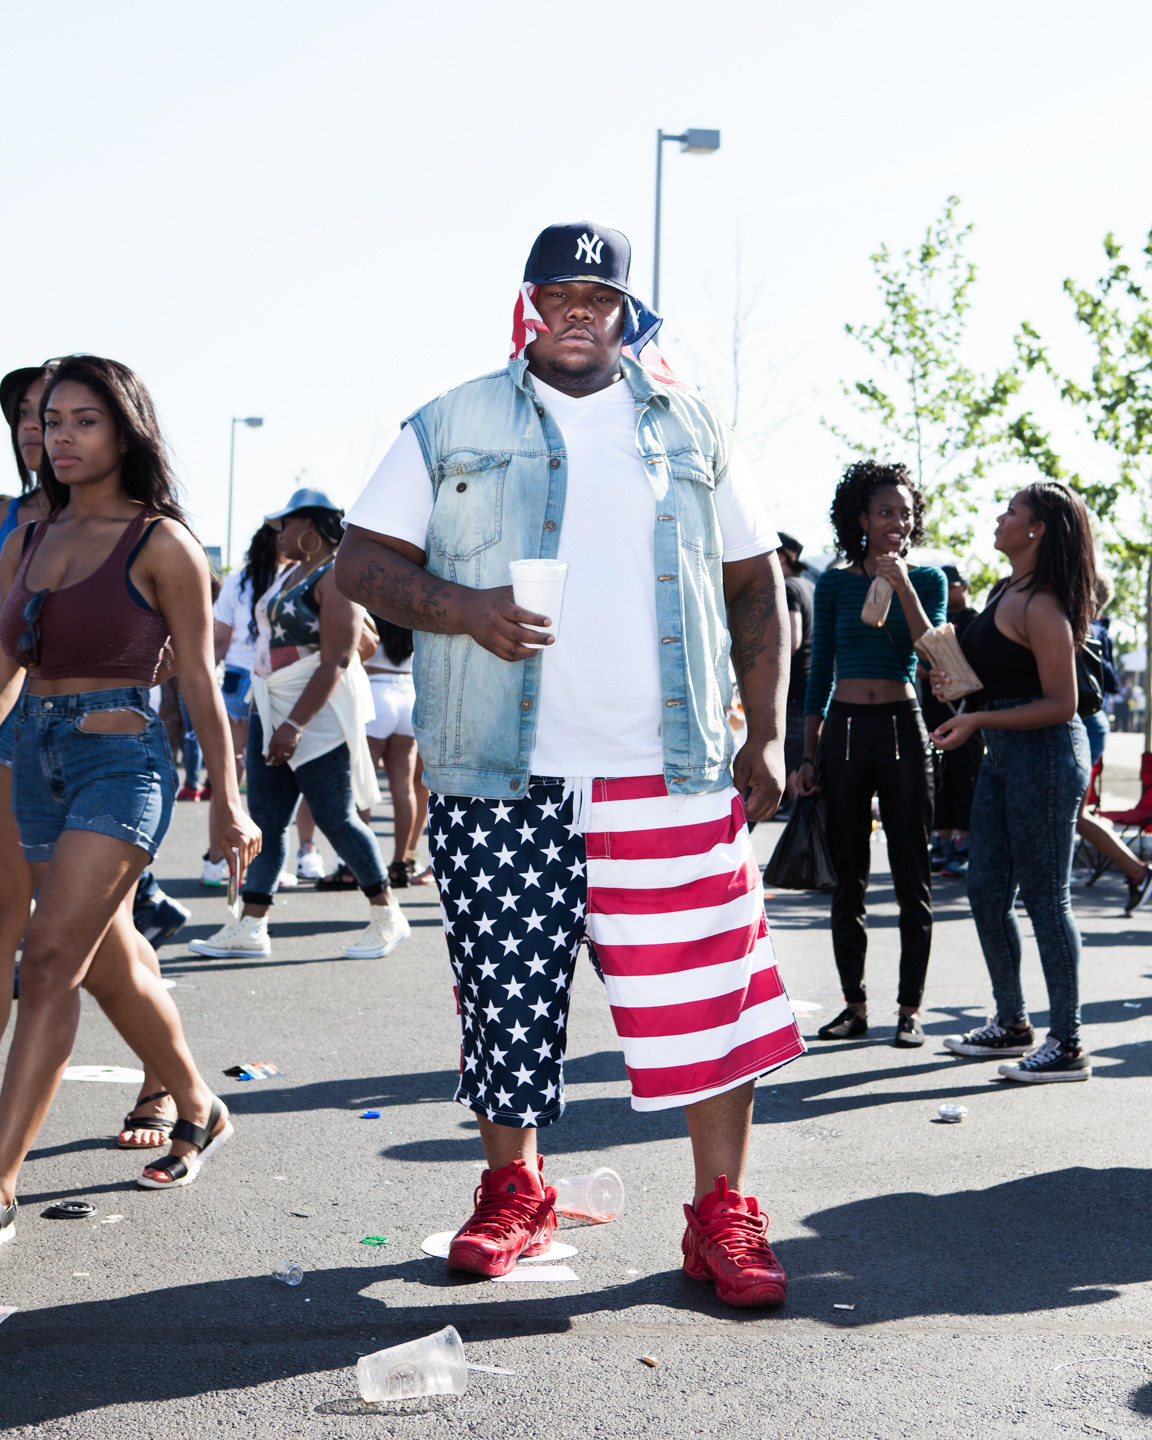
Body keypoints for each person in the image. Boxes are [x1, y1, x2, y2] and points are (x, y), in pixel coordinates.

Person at [336, 221, 805, 1308]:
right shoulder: (451, 420)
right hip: (502, 769)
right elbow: (363, 560)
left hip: (668, 766)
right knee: (505, 1000)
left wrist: (770, 730)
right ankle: (516, 1188)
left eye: (601, 294)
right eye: (561, 292)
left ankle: (720, 1214)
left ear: (625, 311)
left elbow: (754, 584)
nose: (579, 311)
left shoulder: (687, 424)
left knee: (709, 1001)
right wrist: (468, 611)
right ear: (530, 304)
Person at [0, 354, 261, 1244]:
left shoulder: (161, 542)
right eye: (52, 420)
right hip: (36, 763)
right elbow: (4, 665)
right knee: (110, 961)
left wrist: (228, 799)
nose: (61, 437)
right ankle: (197, 1103)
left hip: (122, 768)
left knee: (46, 961)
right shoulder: (30, 537)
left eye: (84, 421)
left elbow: (199, 681)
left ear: (124, 430)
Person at [189, 488, 409, 962]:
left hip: (311, 718)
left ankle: (388, 914)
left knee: (336, 817)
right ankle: (251, 924)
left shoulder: (336, 577)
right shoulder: (293, 573)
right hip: (272, 706)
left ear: (309, 527)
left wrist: (294, 724)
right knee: (266, 819)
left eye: (283, 525)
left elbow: (339, 658)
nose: (276, 534)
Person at [936, 482, 1097, 1082]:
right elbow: (992, 675)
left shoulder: (1043, 604)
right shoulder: (1009, 589)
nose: (1000, 519)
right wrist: (958, 690)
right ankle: (1011, 1022)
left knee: (1047, 901)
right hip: (1005, 757)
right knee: (984, 890)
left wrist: (977, 716)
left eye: (1012, 513)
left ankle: (1068, 1043)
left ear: (1037, 531)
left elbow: (1061, 703)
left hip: (1047, 757)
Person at [796, 460, 945, 1047]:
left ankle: (909, 1009)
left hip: (904, 729)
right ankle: (854, 1005)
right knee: (848, 878)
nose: (897, 522)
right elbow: (819, 672)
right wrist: (808, 755)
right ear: (861, 517)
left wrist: (902, 582)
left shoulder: (926, 577)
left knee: (913, 874)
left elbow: (930, 653)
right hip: (846, 733)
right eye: (886, 512)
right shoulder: (832, 584)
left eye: (906, 513)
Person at [1073, 575, 1150, 911]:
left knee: (1072, 813)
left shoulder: (1091, 629)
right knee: (1069, 812)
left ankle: (1138, 871)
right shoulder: (1093, 627)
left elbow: (1110, 683)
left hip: (1087, 722)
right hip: (1088, 722)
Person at [921, 564, 983, 881]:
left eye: (952, 585)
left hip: (964, 712)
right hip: (933, 712)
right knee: (940, 780)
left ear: (964, 587)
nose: (947, 593)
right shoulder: (932, 619)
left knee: (964, 777)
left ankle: (964, 843)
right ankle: (942, 839)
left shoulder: (972, 620)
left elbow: (966, 664)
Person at [362, 616, 420, 888]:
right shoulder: (410, 611)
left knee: (364, 785)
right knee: (404, 788)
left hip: (374, 692)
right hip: (408, 694)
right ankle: (400, 862)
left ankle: (358, 864)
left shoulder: (371, 606)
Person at [776, 531, 814, 810]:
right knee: (796, 767)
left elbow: (791, 640)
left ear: (780, 557)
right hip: (809, 691)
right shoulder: (807, 584)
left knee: (783, 765)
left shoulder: (788, 587)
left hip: (794, 693)